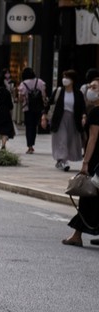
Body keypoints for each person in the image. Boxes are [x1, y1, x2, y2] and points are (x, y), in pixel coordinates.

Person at [63, 86, 99, 247]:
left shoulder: (96, 112)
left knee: (87, 197)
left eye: (95, 87)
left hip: (96, 160)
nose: (91, 89)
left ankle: (77, 235)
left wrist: (85, 162)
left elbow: (92, 139)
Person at [44, 70, 84, 172]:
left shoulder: (78, 93)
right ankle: (63, 161)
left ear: (73, 80)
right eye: (64, 77)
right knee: (62, 139)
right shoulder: (58, 91)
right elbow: (49, 103)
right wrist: (44, 116)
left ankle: (61, 160)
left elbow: (82, 108)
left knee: (70, 140)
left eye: (68, 77)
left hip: (73, 119)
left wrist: (84, 117)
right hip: (59, 118)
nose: (65, 79)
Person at [17, 67, 47, 154]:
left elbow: (21, 97)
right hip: (39, 107)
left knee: (29, 127)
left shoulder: (23, 84)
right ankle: (33, 143)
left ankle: (30, 146)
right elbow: (44, 95)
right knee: (35, 126)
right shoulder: (40, 82)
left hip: (28, 108)